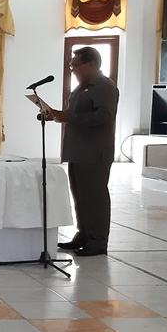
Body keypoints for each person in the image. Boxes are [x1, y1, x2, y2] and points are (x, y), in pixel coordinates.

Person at [46, 46, 119, 257]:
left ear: (91, 64)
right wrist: (58, 115)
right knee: (80, 197)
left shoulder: (104, 87)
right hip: (78, 151)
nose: (73, 70)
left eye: (75, 65)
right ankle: (84, 235)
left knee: (95, 198)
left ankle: (97, 241)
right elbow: (75, 114)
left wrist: (69, 117)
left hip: (94, 153)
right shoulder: (80, 88)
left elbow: (103, 117)